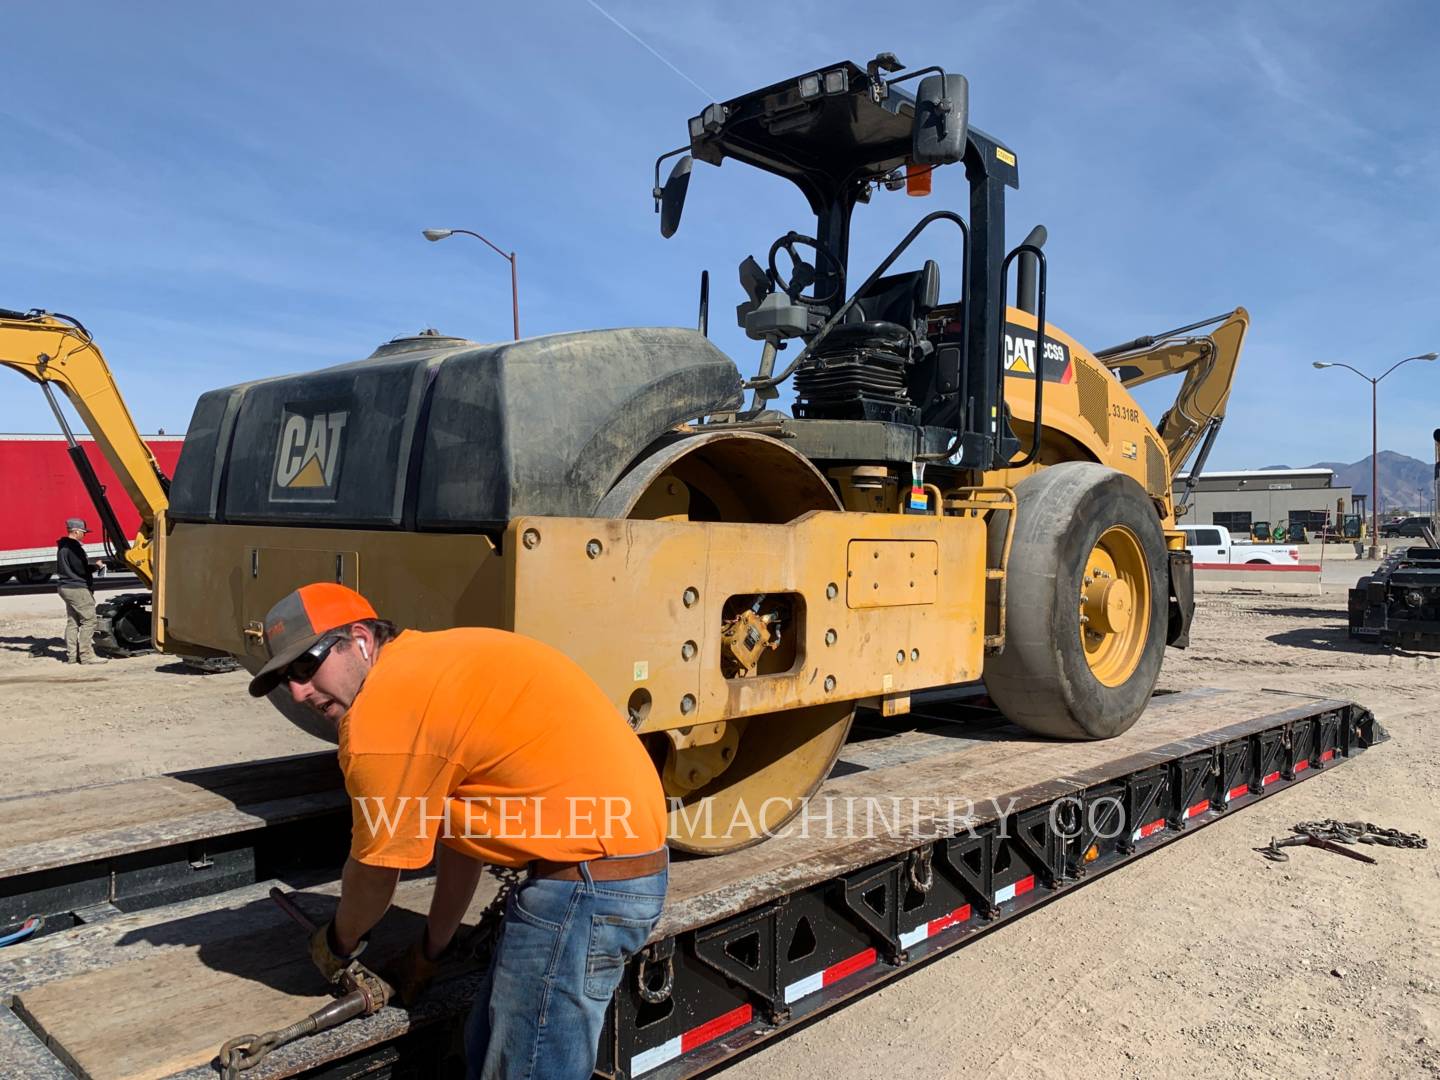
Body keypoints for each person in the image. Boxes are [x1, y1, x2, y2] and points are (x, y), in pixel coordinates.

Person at [247, 583, 669, 1080]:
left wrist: (339, 944)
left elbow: (374, 875)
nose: (298, 691)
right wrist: (431, 950)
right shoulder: (431, 666)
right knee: (489, 1044)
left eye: (305, 665)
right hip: (609, 873)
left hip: (586, 888)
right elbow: (461, 845)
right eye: (284, 680)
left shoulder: (380, 717)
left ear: (359, 638)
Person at [56, 518, 106, 665]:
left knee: (73, 622)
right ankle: (86, 656)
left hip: (65, 586)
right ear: (76, 531)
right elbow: (80, 570)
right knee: (89, 620)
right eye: (83, 532)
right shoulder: (74, 548)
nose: (84, 535)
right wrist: (96, 567)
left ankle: (71, 656)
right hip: (77, 588)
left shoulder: (62, 546)